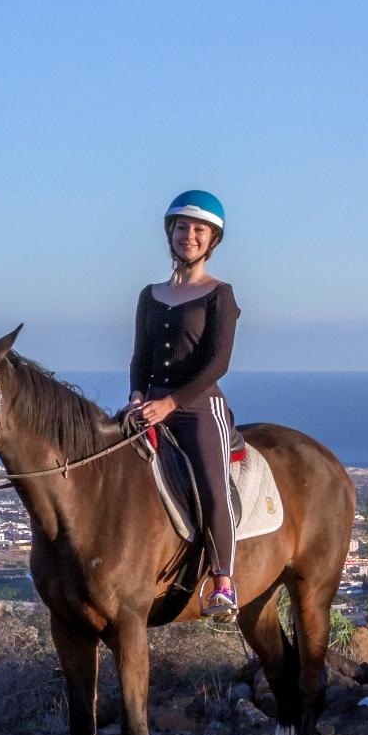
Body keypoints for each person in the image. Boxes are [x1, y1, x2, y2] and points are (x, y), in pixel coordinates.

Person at [126, 189, 242, 620]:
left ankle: (222, 580)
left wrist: (172, 403)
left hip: (198, 407)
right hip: (149, 403)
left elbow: (218, 363)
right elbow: (140, 357)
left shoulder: (219, 294)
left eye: (198, 230)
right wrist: (138, 394)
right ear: (169, 233)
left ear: (212, 240)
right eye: (181, 227)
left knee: (213, 485)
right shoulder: (149, 294)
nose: (188, 235)